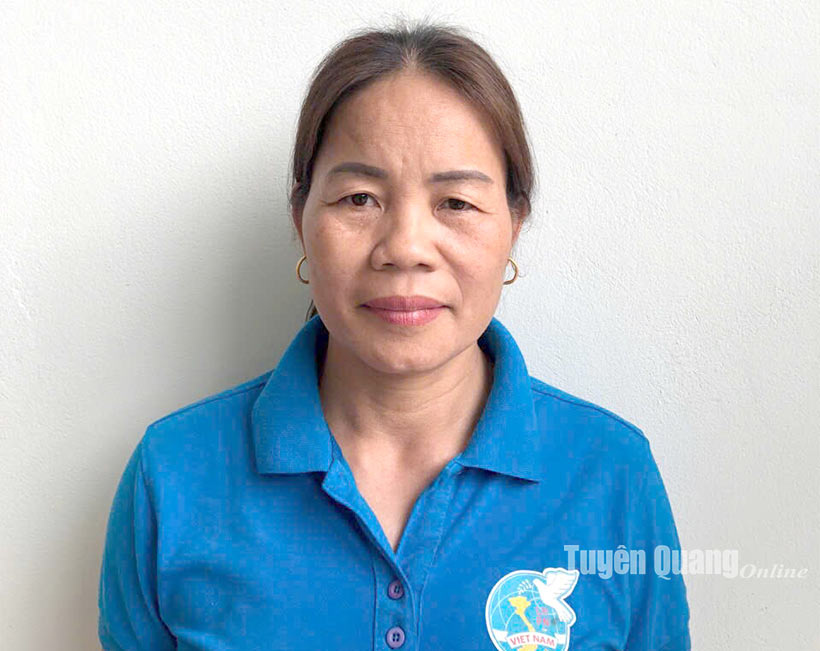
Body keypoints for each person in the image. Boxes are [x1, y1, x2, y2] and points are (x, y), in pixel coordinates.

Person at [98, 19, 690, 651]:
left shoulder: (611, 474)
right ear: (301, 220)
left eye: (456, 203)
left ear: (514, 226)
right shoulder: (174, 474)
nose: (406, 248)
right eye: (360, 198)